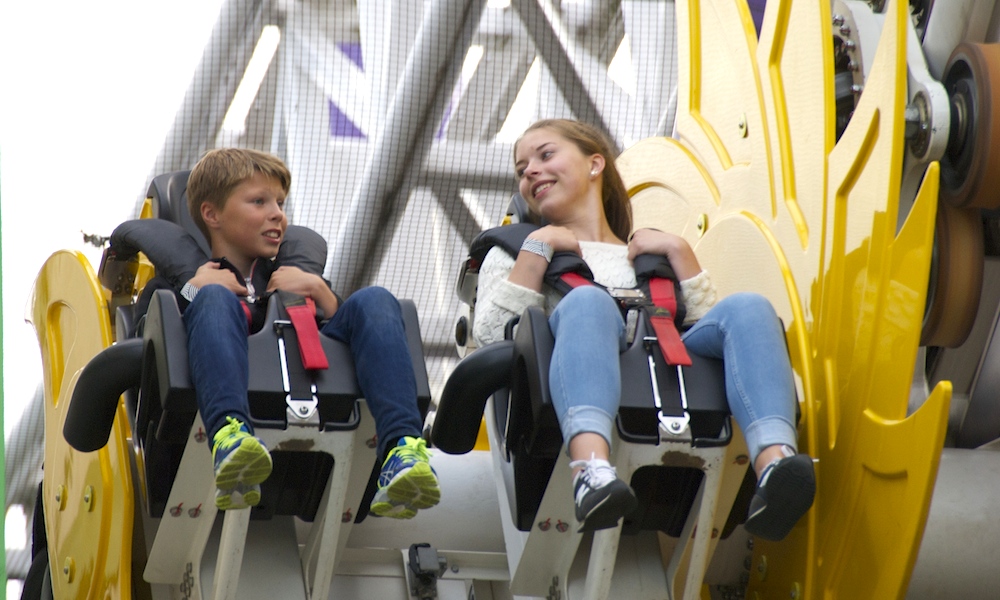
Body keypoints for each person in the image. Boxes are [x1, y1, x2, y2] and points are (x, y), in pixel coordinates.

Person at [472, 119, 815, 541]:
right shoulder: (520, 250)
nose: (529, 172)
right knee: (588, 302)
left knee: (749, 308)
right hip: (556, 408)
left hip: (669, 379)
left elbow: (709, 331)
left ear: (595, 164)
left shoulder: (650, 255)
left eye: (545, 155)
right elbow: (489, 339)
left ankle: (775, 466)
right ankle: (590, 469)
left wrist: (680, 253)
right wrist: (538, 249)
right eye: (522, 168)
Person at [177, 147, 440, 517]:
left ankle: (403, 450)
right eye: (259, 201)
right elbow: (153, 335)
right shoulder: (190, 284)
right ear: (212, 213)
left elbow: (342, 332)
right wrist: (195, 289)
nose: (277, 215)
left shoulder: (298, 280)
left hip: (320, 392)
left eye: (281, 203)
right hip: (229, 396)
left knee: (376, 299)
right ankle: (230, 438)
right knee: (216, 299)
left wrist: (320, 292)